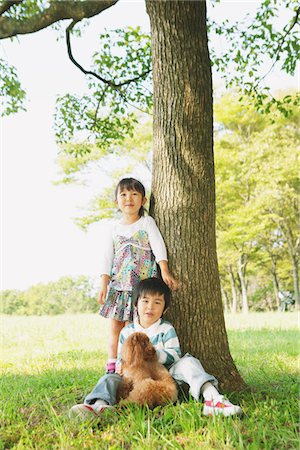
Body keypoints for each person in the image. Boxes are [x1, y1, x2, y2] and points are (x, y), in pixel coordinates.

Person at [69, 278, 243, 420]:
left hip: (165, 376)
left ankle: (213, 399)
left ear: (164, 308)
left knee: (189, 362)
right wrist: (121, 366)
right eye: (145, 301)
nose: (150, 307)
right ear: (135, 304)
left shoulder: (166, 328)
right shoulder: (127, 331)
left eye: (157, 302)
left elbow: (175, 354)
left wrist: (155, 354)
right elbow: (123, 356)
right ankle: (98, 406)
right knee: (109, 378)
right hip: (134, 378)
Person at [98, 177, 178, 374]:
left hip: (141, 290)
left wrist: (164, 270)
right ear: (116, 201)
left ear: (143, 200)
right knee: (116, 328)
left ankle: (136, 364)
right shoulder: (113, 228)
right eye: (123, 194)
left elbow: (159, 246)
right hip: (119, 287)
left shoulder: (146, 223)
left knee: (136, 328)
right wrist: (104, 284)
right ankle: (112, 365)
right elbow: (107, 256)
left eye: (134, 194)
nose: (129, 199)